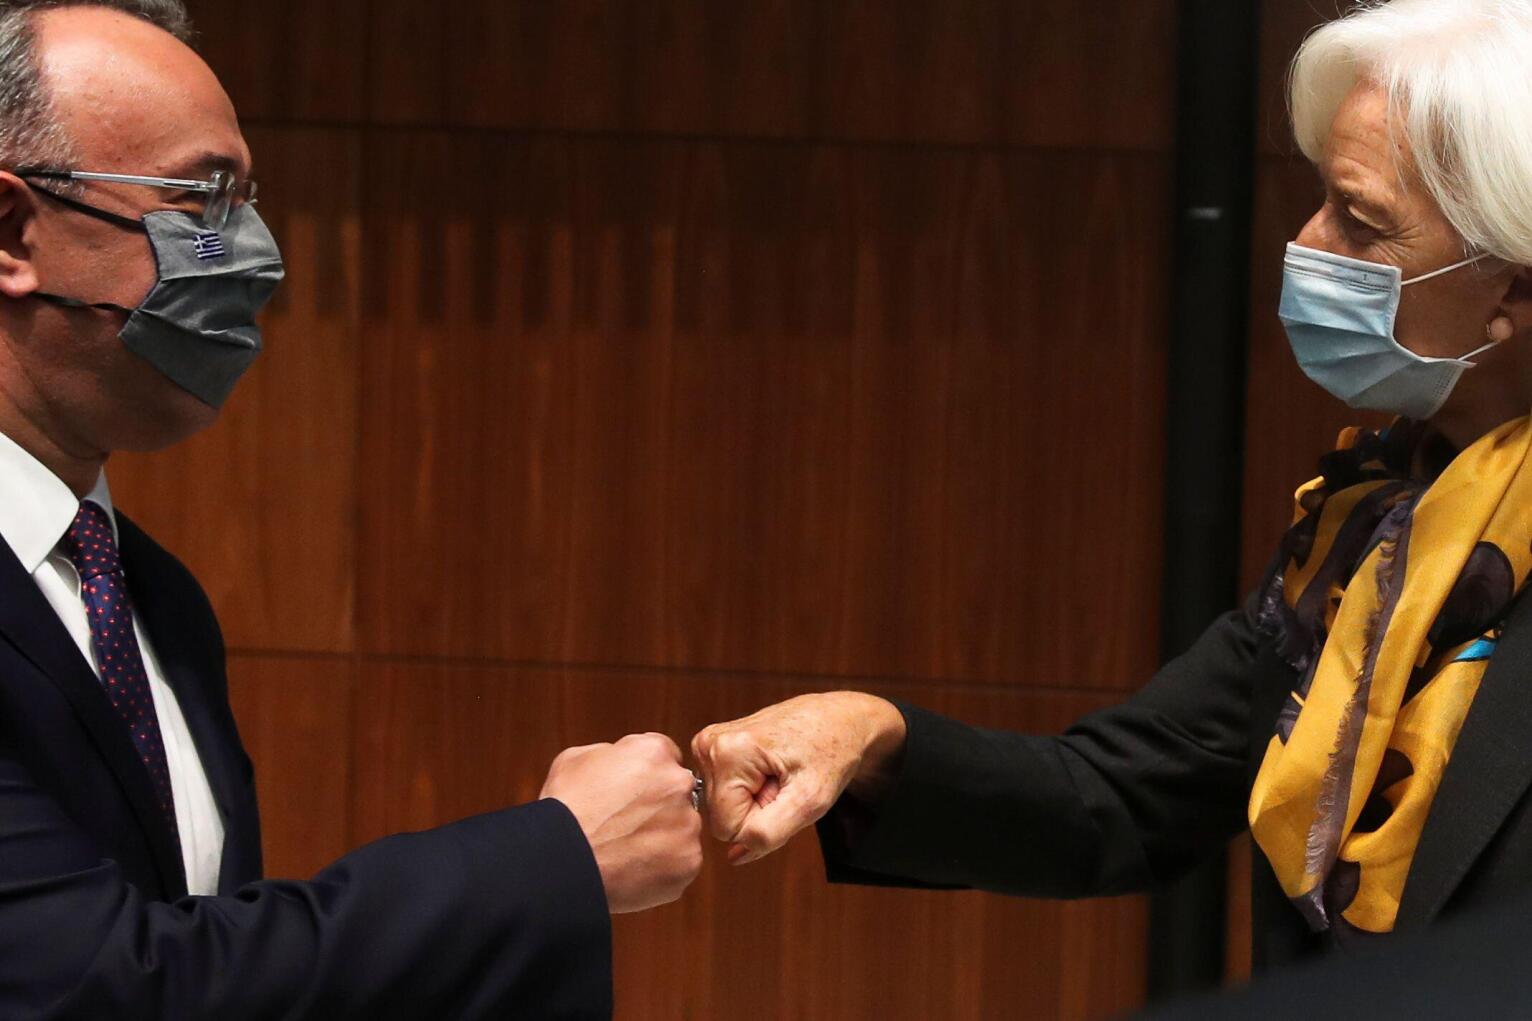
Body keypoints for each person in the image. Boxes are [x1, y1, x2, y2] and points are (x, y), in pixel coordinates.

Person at [693, 0, 1532, 975]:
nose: (1306, 242)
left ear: (1511, 287)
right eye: (1318, 199)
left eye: (1359, 221)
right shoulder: (1376, 519)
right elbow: (1126, 796)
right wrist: (865, 735)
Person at [0, 1, 701, 1017]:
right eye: (204, 200)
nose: (257, 254)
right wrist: (555, 858)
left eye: (249, 202)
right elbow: (97, 988)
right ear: (13, 232)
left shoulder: (153, 597)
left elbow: (229, 976)